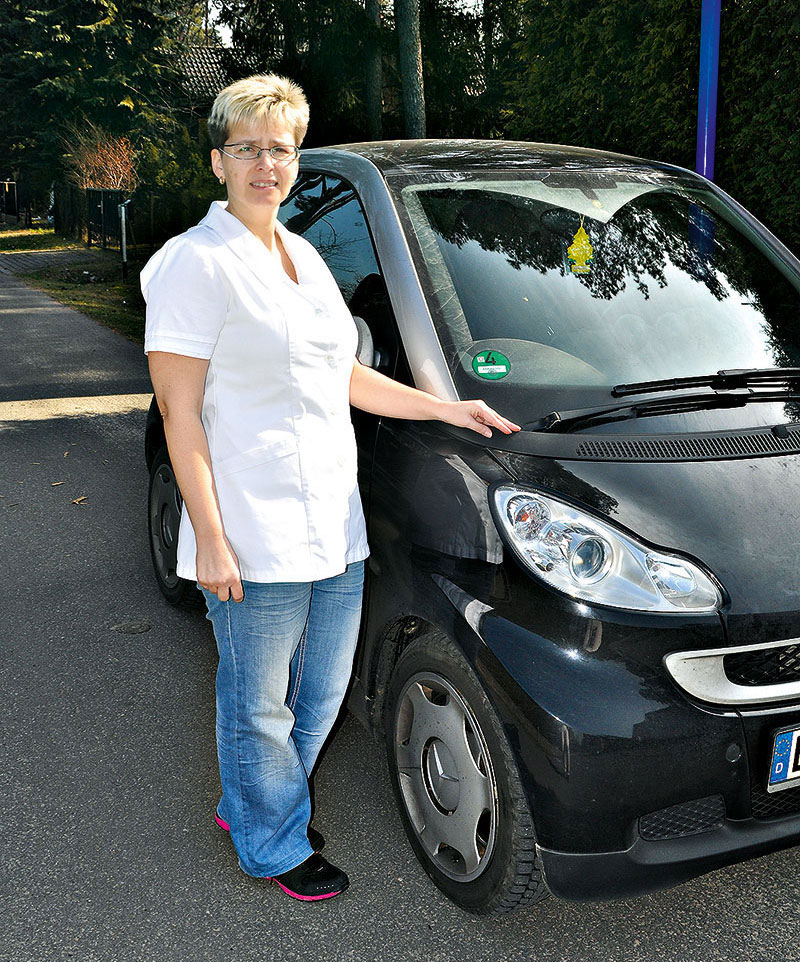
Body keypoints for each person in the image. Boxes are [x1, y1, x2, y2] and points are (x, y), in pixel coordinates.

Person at [141, 73, 520, 902]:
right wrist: (207, 534)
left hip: (332, 527)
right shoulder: (193, 265)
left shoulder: (304, 258)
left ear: (296, 159)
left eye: (280, 149)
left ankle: (252, 802)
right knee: (258, 707)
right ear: (218, 161)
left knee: (321, 693)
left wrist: (448, 409)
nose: (266, 164)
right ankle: (269, 844)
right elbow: (180, 416)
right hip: (249, 530)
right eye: (248, 148)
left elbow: (345, 375)